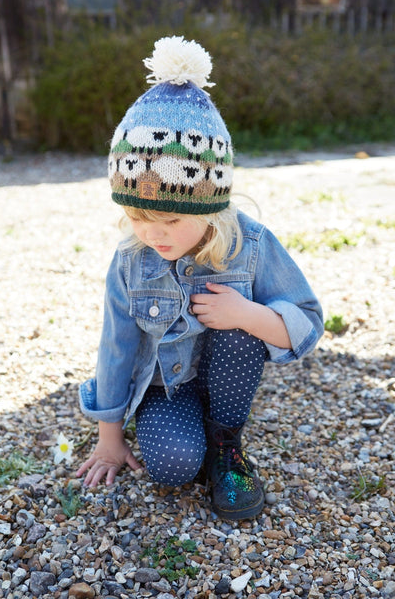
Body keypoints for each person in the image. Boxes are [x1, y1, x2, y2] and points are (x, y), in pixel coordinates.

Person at [76, 36, 324, 521]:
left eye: (170, 222)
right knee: (172, 467)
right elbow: (117, 344)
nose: (153, 235)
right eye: (137, 217)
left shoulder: (249, 244)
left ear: (211, 206)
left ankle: (226, 442)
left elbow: (308, 322)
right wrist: (110, 438)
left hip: (228, 376)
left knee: (238, 319)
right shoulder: (132, 258)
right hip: (167, 386)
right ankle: (194, 437)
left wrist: (247, 314)